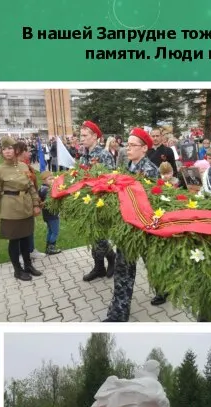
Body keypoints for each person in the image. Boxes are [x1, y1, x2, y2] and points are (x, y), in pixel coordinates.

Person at [104, 128, 161, 322]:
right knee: (123, 270)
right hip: (128, 229)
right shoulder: (125, 166)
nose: (128, 148)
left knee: (152, 264)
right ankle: (119, 313)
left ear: (144, 148)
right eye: (127, 144)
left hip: (144, 228)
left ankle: (163, 289)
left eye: (132, 145)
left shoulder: (151, 170)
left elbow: (155, 200)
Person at [0, 136, 42, 281]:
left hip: (25, 207)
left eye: (10, 148)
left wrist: (36, 204)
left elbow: (31, 187)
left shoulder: (24, 166)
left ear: (16, 150)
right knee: (14, 241)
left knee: (26, 238)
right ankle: (17, 270)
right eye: (4, 149)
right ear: (1, 151)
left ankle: (28, 265)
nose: (7, 151)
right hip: (10, 209)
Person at [79, 121, 117, 282]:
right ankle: (99, 267)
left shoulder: (104, 155)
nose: (81, 139)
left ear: (95, 136)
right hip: (87, 202)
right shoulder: (83, 155)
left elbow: (110, 180)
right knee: (93, 235)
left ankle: (111, 257)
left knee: (100, 235)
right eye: (80, 135)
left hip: (101, 202)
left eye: (85, 135)